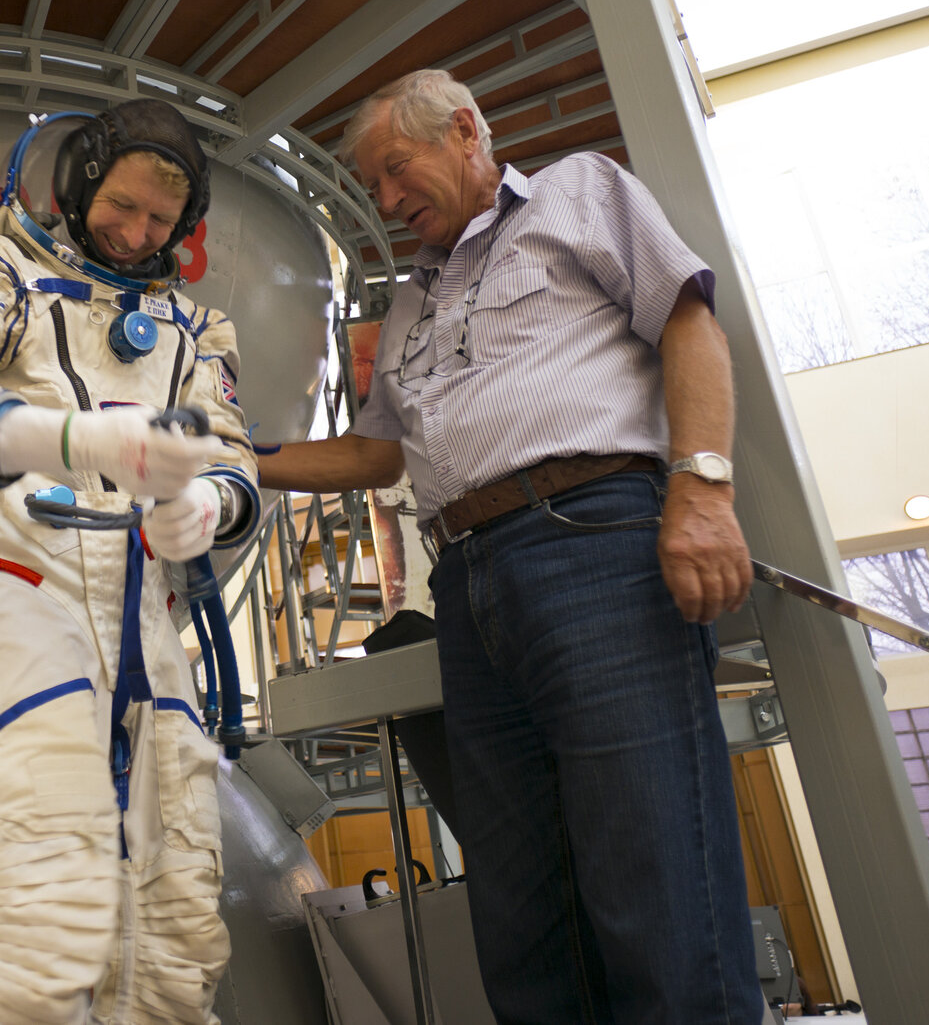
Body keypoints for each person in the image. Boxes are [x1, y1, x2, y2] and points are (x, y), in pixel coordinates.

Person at [257, 69, 763, 1023]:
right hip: (470, 583)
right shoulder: (410, 301)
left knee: (651, 868)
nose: (390, 200)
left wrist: (701, 485)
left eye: (396, 170)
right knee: (521, 905)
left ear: (465, 130)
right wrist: (235, 457)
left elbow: (688, 321)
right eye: (374, 188)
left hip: (595, 542)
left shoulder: (579, 191)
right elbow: (375, 453)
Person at [0, 99, 258, 1025]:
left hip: (142, 626)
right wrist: (72, 438)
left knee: (174, 917)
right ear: (77, 188)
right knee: (52, 902)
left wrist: (206, 504)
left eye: (160, 221)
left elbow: (232, 455)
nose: (135, 233)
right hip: (2, 577)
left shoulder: (196, 330)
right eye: (120, 206)